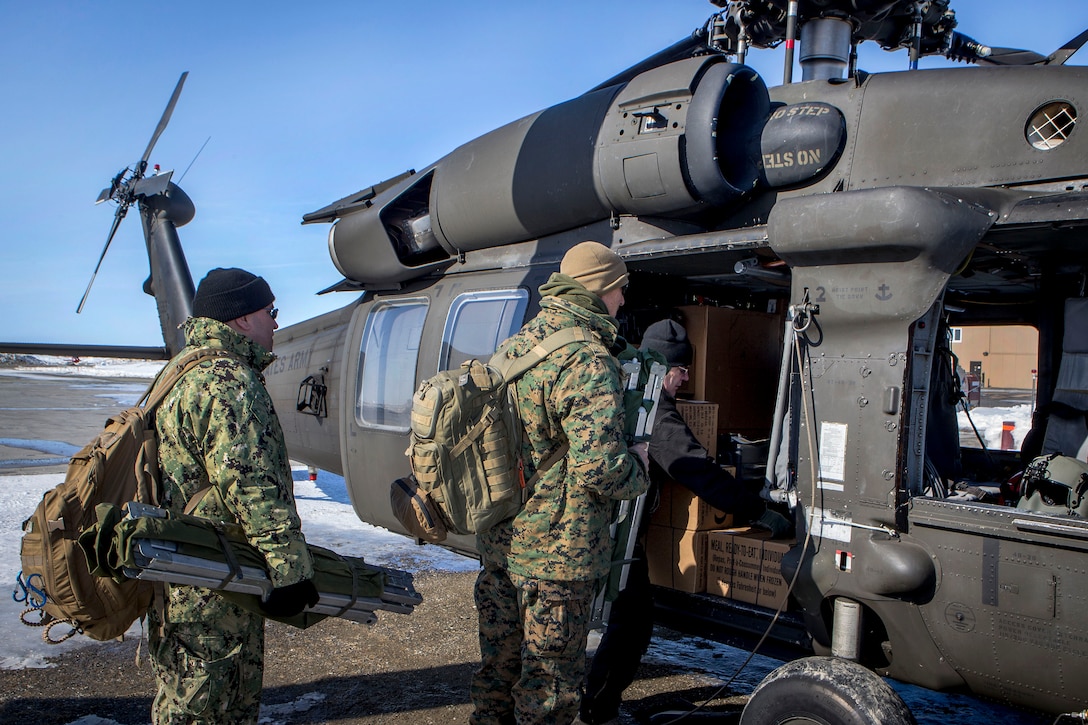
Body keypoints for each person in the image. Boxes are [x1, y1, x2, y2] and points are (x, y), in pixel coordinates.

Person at [471, 241, 651, 725]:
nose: (623, 302)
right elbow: (602, 469)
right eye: (620, 290)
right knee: (548, 692)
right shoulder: (586, 358)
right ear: (600, 290)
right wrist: (639, 464)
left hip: (500, 543)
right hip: (557, 556)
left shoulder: (517, 345)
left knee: (497, 678)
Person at [578, 318, 792, 725]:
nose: (687, 378)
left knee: (621, 621)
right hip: (612, 535)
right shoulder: (654, 409)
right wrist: (756, 510)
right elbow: (695, 469)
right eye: (682, 370)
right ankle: (597, 710)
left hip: (605, 529)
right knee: (632, 624)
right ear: (664, 366)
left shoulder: (629, 390)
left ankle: (593, 704)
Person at [149, 267, 318, 724]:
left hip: (184, 570)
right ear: (242, 320)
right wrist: (290, 572)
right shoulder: (228, 381)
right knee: (212, 708)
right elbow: (253, 487)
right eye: (271, 312)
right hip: (216, 583)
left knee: (185, 699)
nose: (276, 323)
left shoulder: (183, 370)